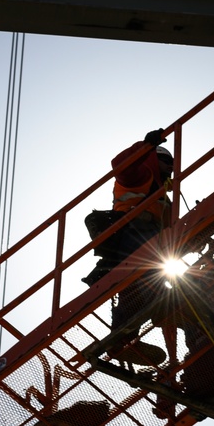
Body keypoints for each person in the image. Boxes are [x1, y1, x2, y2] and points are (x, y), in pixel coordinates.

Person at [83, 130, 174, 366]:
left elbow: (172, 229)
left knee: (139, 290)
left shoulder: (162, 195)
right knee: (141, 284)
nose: (172, 168)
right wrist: (144, 147)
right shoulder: (142, 175)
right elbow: (119, 166)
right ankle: (126, 336)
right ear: (156, 159)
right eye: (168, 162)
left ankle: (123, 340)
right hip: (134, 234)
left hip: (151, 242)